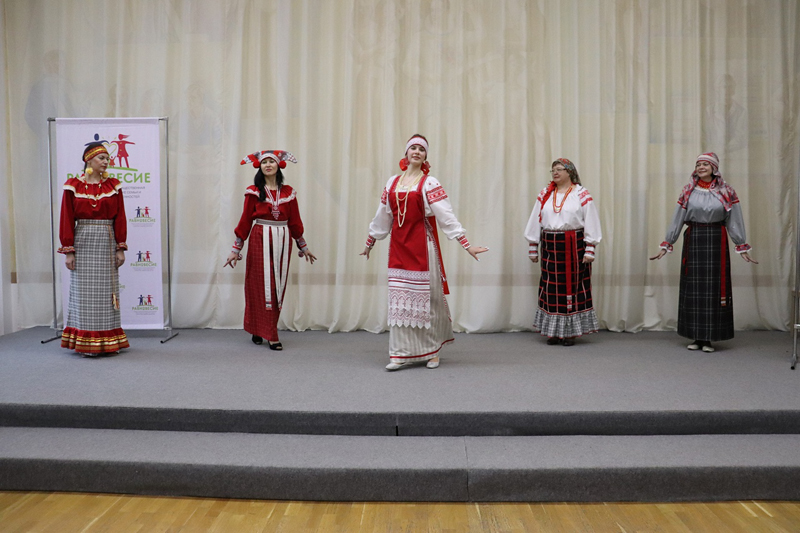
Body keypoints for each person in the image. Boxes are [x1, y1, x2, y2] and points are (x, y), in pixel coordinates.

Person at [361, 134, 488, 371]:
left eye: (421, 149)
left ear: (425, 156)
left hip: (422, 246)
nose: (417, 152)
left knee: (427, 300)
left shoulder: (429, 183)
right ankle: (399, 354)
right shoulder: (392, 182)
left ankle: (432, 351)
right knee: (401, 301)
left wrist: (466, 244)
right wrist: (370, 242)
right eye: (413, 148)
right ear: (406, 153)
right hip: (399, 247)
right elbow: (383, 215)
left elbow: (446, 216)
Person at [650, 152, 757, 352]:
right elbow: (678, 217)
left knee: (714, 289)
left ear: (714, 168)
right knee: (694, 288)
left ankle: (709, 338)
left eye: (705, 164)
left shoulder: (726, 191)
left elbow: (734, 219)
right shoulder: (688, 191)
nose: (701, 167)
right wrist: (667, 243)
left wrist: (741, 244)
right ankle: (696, 336)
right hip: (694, 239)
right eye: (698, 164)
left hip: (717, 240)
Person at [225, 150, 316, 350]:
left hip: (282, 240)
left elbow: (295, 221)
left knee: (276, 286)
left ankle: (265, 329)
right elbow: (245, 220)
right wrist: (236, 249)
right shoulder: (253, 191)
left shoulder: (288, 192)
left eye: (271, 162)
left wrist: (303, 246)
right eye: (264, 162)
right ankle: (266, 332)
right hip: (260, 238)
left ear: (279, 165)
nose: (268, 165)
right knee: (258, 285)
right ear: (259, 166)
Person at [58, 142, 129, 355]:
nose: (106, 162)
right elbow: (66, 219)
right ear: (89, 160)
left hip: (107, 240)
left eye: (107, 159)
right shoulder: (73, 186)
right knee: (84, 293)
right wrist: (69, 251)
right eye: (102, 158)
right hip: (83, 241)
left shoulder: (113, 186)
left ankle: (108, 341)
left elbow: (120, 217)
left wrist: (120, 247)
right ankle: (86, 341)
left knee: (107, 292)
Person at [524, 158, 602, 346]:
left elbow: (591, 219)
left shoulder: (581, 194)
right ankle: (553, 332)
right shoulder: (545, 194)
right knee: (550, 287)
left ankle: (569, 333)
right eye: (553, 170)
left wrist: (590, 247)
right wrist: (533, 245)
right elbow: (536, 219)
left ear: (569, 172)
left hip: (573, 244)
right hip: (550, 244)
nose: (555, 173)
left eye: (559, 169)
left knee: (572, 287)